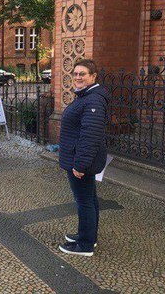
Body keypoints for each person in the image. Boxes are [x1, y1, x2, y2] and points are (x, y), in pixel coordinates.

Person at [58, 58, 109, 257]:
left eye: (82, 74)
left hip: (80, 160)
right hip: (79, 157)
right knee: (90, 199)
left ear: (93, 76)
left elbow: (90, 134)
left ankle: (85, 244)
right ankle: (88, 235)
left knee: (84, 201)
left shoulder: (93, 99)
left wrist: (80, 164)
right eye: (76, 74)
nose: (77, 77)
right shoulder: (86, 96)